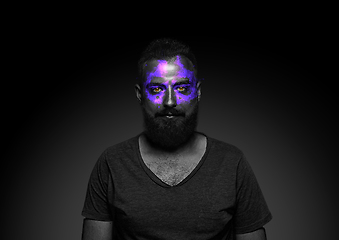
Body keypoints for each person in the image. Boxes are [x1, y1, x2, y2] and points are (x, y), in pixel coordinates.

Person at [81, 38, 272, 240]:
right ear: (140, 94)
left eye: (182, 88)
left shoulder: (232, 163)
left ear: (197, 92)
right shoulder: (112, 162)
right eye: (156, 89)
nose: (170, 101)